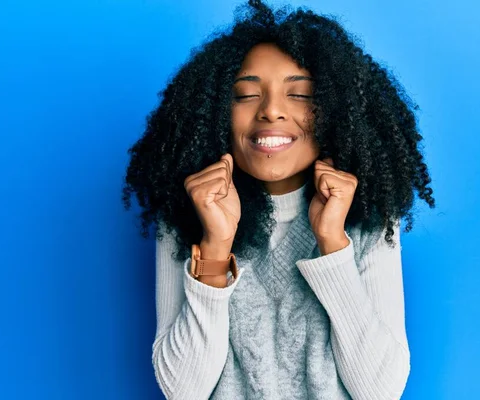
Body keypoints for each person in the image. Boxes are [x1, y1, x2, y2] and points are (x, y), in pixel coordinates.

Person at [122, 0, 435, 398]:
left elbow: (381, 391)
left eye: (300, 95)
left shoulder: (369, 218)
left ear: (337, 111)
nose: (271, 111)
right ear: (215, 111)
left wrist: (333, 244)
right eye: (246, 95)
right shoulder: (186, 218)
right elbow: (182, 390)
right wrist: (216, 248)